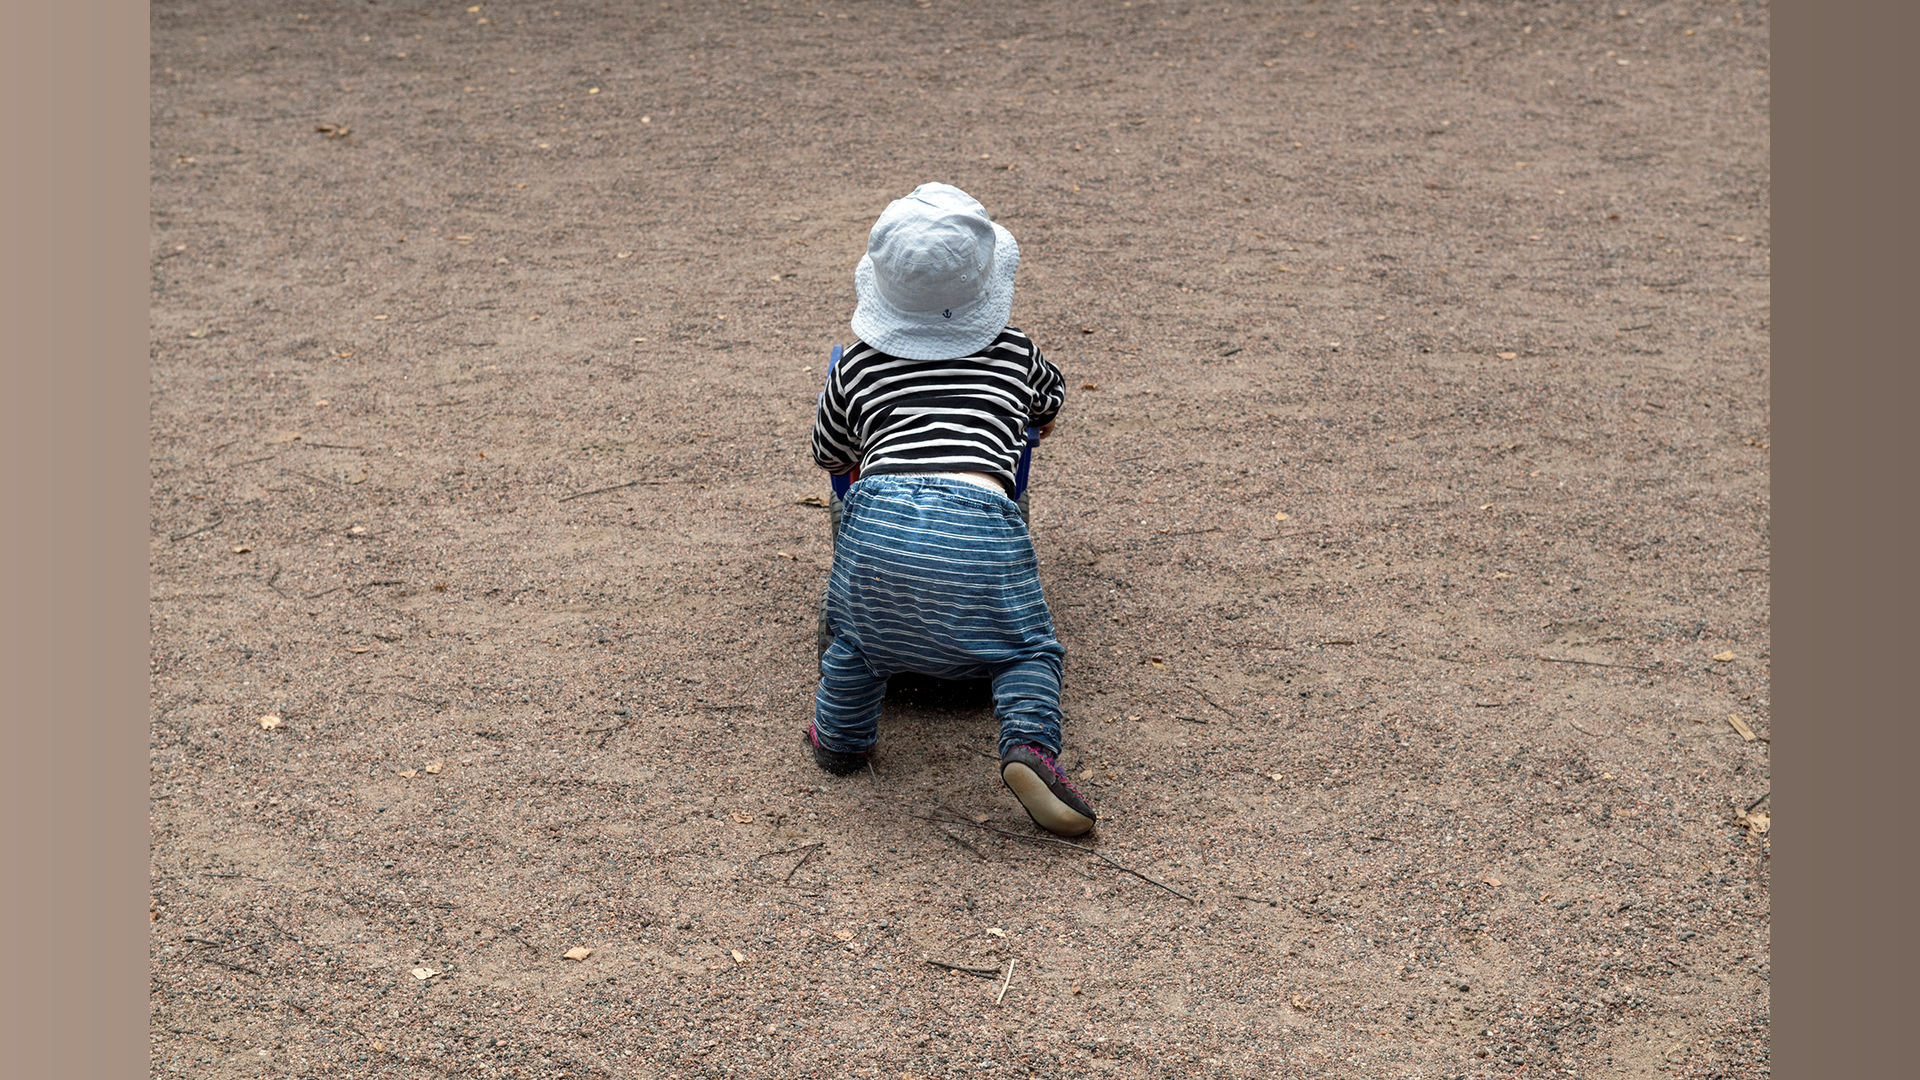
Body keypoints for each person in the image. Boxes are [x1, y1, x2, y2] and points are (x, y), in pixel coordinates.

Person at [805, 182, 1097, 836]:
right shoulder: (1016, 352)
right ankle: (1028, 745)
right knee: (1029, 651)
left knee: (854, 640)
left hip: (876, 519)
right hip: (979, 514)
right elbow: (1049, 405)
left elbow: (830, 455)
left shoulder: (854, 367)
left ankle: (841, 740)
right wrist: (1028, 421)